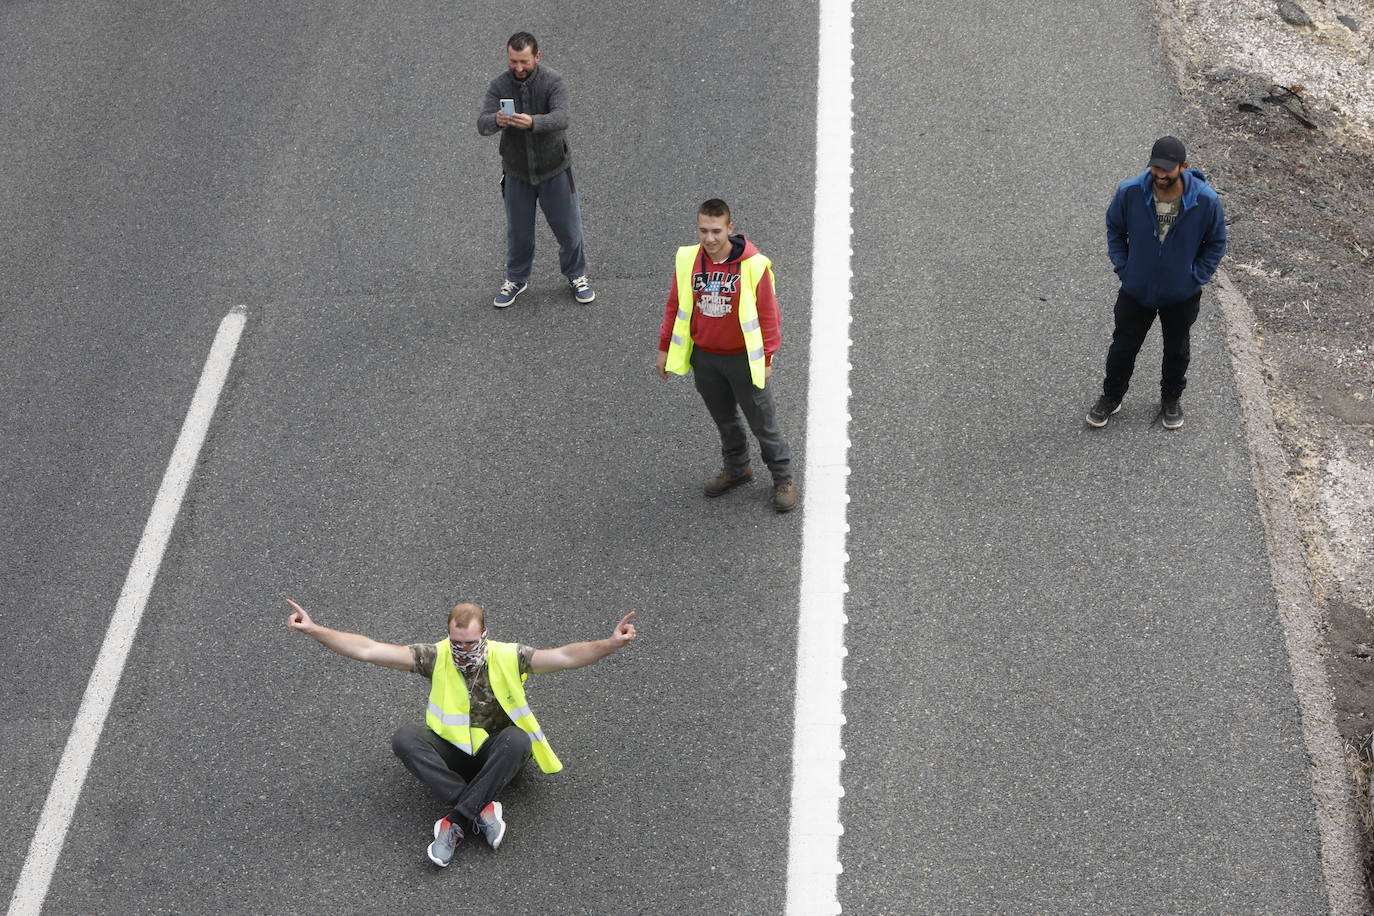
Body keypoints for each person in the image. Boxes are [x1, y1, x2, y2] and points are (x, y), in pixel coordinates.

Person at [285, 597, 636, 867]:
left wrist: (611, 643)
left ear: (484, 634)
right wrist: (314, 629)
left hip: (495, 754)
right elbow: (369, 650)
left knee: (517, 739)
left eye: (469, 643)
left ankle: (454, 821)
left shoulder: (509, 656)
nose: (462, 650)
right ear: (448, 634)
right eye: (456, 641)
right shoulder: (435, 656)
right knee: (405, 738)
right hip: (452, 754)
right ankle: (481, 809)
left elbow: (565, 657)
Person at [657, 199, 798, 513]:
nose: (709, 238)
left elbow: (769, 317)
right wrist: (664, 346)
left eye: (716, 231)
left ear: (729, 229)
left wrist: (768, 358)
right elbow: (674, 304)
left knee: (763, 422)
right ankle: (737, 468)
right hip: (705, 358)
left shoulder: (753, 265)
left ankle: (783, 477)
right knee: (724, 418)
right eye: (703, 230)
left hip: (742, 359)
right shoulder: (687, 259)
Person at [1087, 136, 1227, 430]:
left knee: (1177, 350)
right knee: (1123, 348)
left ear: (1184, 167)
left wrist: (1196, 276)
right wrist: (1125, 268)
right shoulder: (1130, 192)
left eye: (1168, 170)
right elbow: (1115, 228)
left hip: (1181, 294)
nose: (1160, 176)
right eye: (1156, 169)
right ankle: (1111, 397)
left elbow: (1216, 243)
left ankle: (1171, 399)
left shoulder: (1205, 201)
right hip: (1137, 290)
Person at [477, 32, 594, 309]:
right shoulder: (499, 85)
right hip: (517, 173)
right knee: (519, 233)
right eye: (513, 61)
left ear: (537, 57)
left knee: (569, 230)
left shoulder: (553, 81)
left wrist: (533, 123)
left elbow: (562, 117)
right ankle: (516, 279)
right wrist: (496, 119)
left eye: (524, 62)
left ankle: (577, 275)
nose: (518, 67)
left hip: (554, 170)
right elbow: (482, 124)